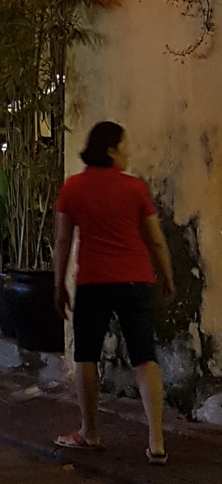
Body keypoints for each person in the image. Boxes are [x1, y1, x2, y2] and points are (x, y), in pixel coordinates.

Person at [54, 121, 176, 464]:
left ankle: (89, 431)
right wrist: (165, 275)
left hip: (93, 281)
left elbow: (63, 240)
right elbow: (154, 238)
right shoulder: (135, 189)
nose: (128, 152)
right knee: (144, 357)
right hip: (136, 280)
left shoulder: (73, 188)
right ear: (110, 150)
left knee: (87, 356)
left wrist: (58, 283)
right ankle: (156, 441)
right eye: (124, 146)